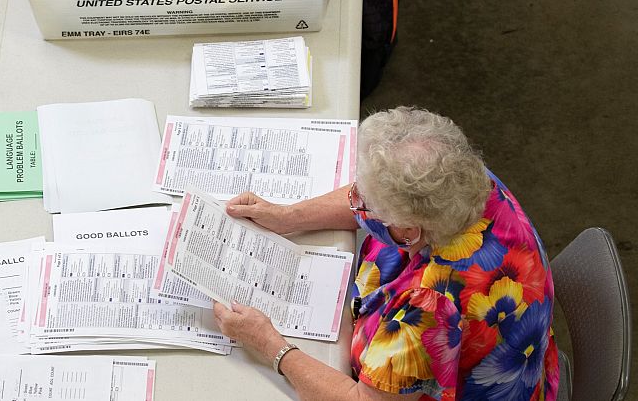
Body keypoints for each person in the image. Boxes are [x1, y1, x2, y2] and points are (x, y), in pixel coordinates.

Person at [212, 107, 559, 400]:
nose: (353, 201)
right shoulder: (456, 179)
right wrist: (287, 216)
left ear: (408, 231)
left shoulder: (431, 305)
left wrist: (270, 344)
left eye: (364, 202)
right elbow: (386, 190)